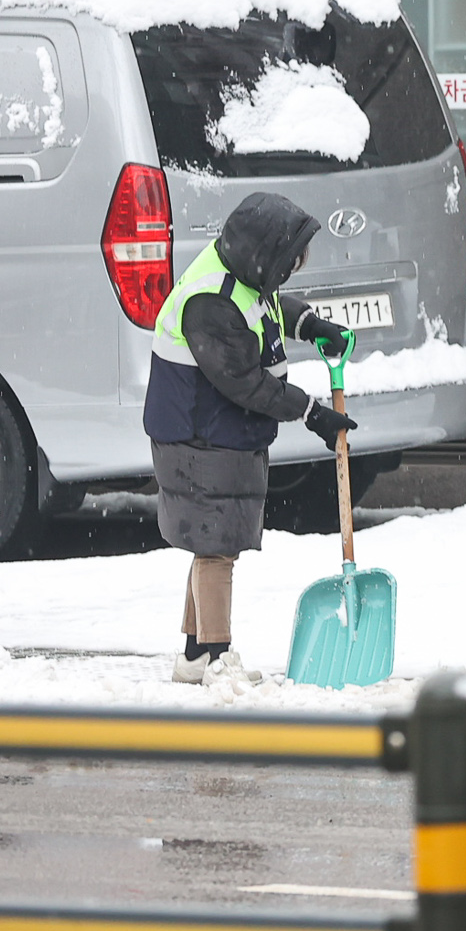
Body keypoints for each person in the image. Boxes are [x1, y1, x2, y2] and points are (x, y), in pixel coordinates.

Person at [146, 191, 357, 685]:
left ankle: (195, 654)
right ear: (263, 255)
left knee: (209, 542)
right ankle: (217, 658)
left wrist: (309, 323)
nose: (290, 273)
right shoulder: (209, 303)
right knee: (216, 546)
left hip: (216, 430)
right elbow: (245, 382)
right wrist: (310, 412)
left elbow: (265, 305)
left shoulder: (241, 274)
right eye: (288, 263)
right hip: (197, 435)